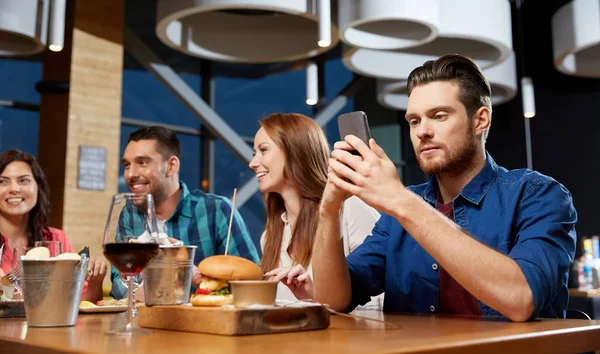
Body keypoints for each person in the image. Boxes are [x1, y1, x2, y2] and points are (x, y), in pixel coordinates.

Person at [307, 54, 577, 321]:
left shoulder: (538, 195)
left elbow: (521, 299)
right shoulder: (398, 214)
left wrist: (400, 200)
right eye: (414, 121)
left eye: (438, 116)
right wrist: (330, 209)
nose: (422, 131)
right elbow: (332, 300)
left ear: (480, 120)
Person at [249, 113, 382, 309]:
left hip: (355, 337)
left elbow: (378, 298)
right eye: (255, 153)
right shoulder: (269, 237)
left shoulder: (350, 209)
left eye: (263, 150)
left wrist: (319, 301)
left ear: (295, 151)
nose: (253, 163)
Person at [110, 126, 260, 299]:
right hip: (144, 323)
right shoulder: (129, 215)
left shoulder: (217, 210)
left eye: (142, 162)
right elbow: (120, 288)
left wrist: (191, 274)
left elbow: (253, 285)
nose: (130, 174)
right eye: (127, 165)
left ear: (171, 166)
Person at [0, 149, 106, 302]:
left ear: (38, 187)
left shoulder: (56, 238)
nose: (14, 189)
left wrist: (95, 282)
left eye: (23, 180)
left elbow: (79, 302)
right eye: (2, 181)